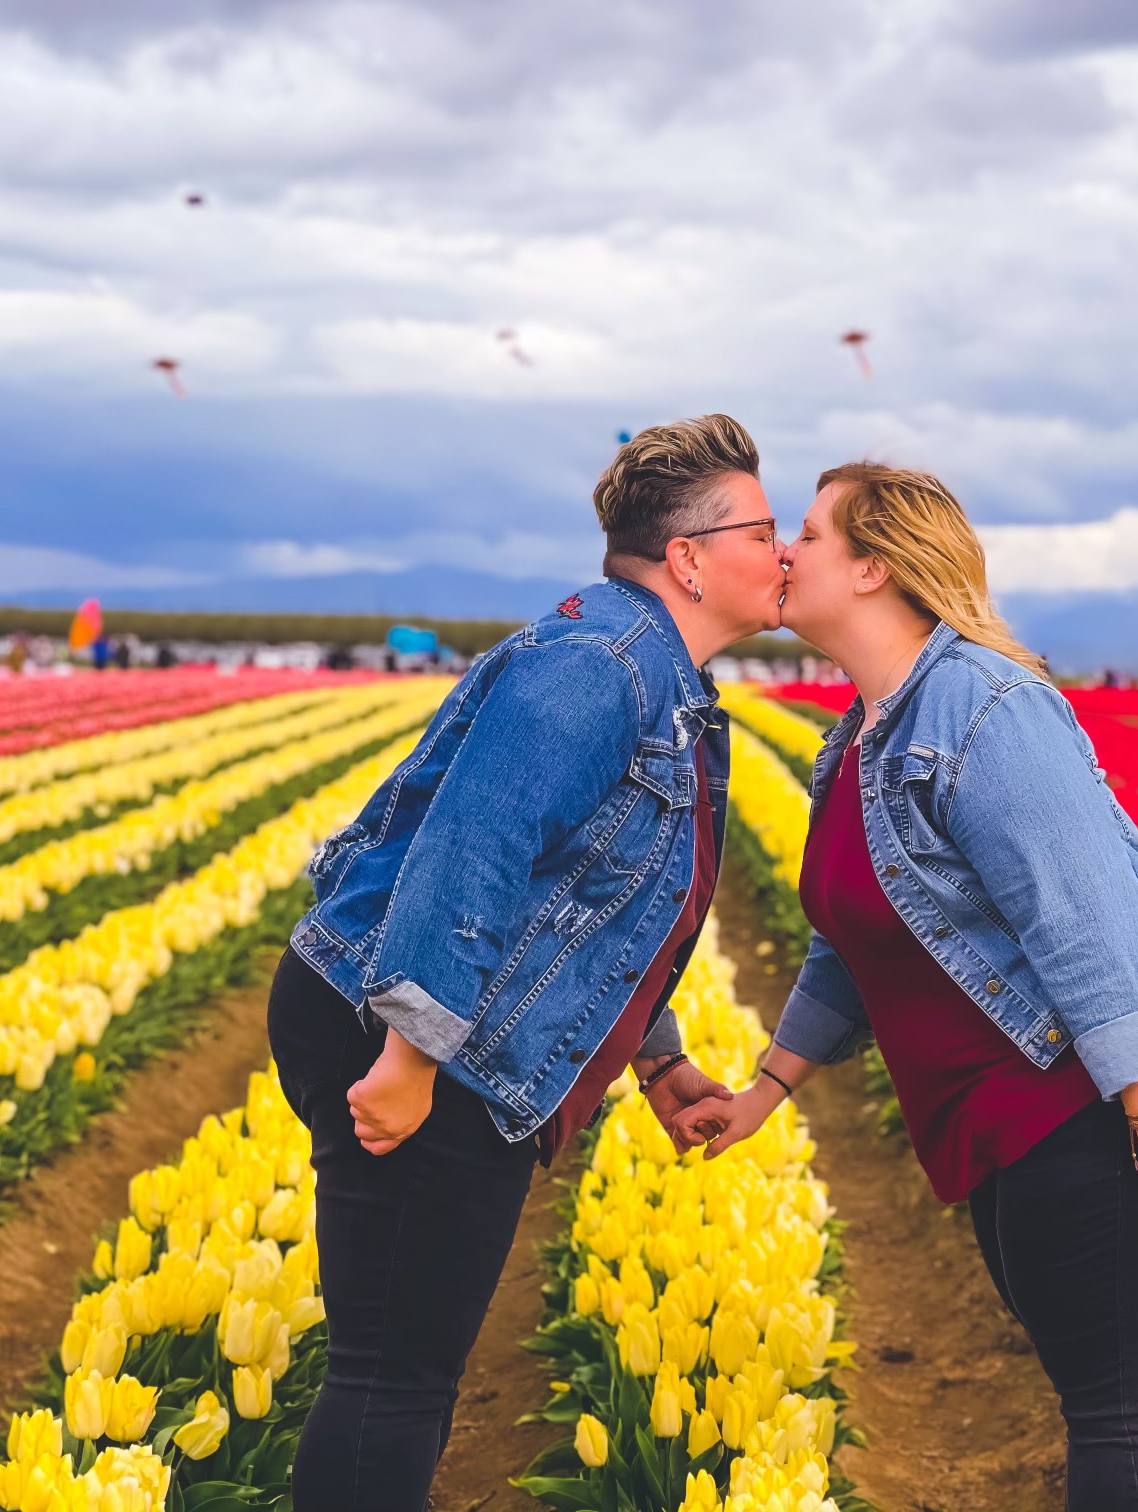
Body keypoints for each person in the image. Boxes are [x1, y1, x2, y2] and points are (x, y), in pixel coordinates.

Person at [684, 463, 1138, 1512]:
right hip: (1025, 1082)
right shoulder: (863, 735)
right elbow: (859, 940)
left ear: (873, 567)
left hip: (1117, 1067)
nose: (784, 552)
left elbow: (1082, 910)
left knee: (1117, 1409)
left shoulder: (981, 703)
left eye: (808, 534)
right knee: (1093, 1389)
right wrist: (765, 1090)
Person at [265, 414, 788, 1510]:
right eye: (764, 529)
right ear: (687, 558)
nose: (782, 555)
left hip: (446, 1025)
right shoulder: (604, 664)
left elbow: (592, 895)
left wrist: (655, 1058)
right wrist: (412, 1055)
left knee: (402, 1369)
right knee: (394, 1377)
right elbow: (479, 845)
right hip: (413, 1031)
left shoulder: (653, 669)